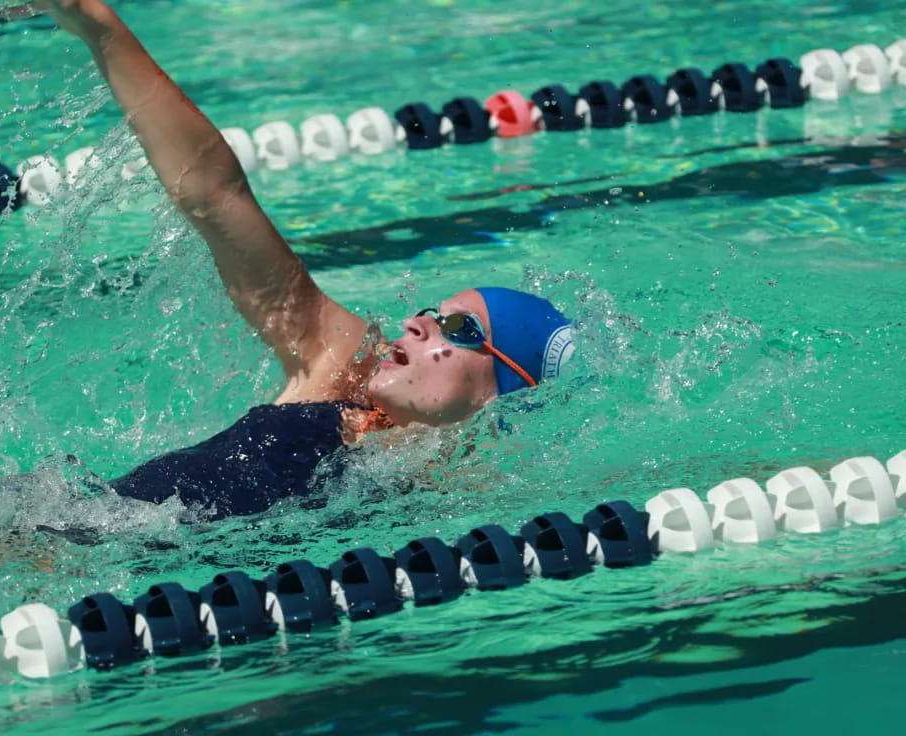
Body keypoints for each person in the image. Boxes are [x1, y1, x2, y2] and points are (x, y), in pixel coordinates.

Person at [31, 0, 575, 520]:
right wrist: (95, 20)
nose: (416, 323)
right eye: (433, 313)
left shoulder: (471, 495)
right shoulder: (342, 372)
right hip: (49, 528)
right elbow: (215, 195)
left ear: (506, 390)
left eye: (458, 328)